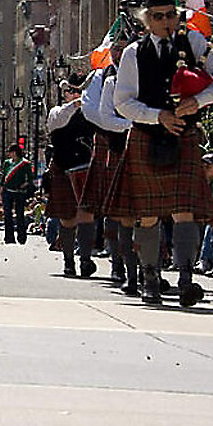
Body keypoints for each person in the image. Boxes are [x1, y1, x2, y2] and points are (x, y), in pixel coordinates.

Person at [105, 0, 213, 306]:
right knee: (147, 215)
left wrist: (197, 101)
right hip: (147, 136)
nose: (166, 22)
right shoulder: (134, 53)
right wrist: (157, 116)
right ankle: (150, 280)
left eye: (170, 15)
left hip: (184, 136)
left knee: (184, 212)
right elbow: (123, 103)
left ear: (177, 15)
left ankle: (187, 280)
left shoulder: (197, 43)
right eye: (158, 16)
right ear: (147, 20)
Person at [79, 35, 135, 290]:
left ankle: (148, 266)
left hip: (145, 143)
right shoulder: (102, 77)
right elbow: (91, 111)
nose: (119, 53)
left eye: (124, 48)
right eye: (116, 49)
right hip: (111, 143)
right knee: (113, 209)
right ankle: (116, 264)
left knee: (148, 210)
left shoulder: (141, 72)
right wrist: (126, 126)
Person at [46, 77, 98, 277]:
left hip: (86, 167)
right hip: (64, 167)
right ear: (65, 93)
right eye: (72, 91)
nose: (76, 95)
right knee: (68, 218)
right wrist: (76, 103)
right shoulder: (57, 112)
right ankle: (68, 262)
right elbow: (60, 120)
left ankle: (85, 261)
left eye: (79, 91)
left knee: (86, 215)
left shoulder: (89, 112)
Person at [0, 146, 33, 244]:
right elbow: (3, 178)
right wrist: (0, 192)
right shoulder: (7, 163)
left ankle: (21, 236)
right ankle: (9, 237)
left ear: (16, 153)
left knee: (20, 214)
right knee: (7, 214)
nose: (9, 154)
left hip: (19, 192)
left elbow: (30, 178)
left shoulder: (25, 164)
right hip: (7, 191)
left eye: (11, 152)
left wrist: (24, 185)